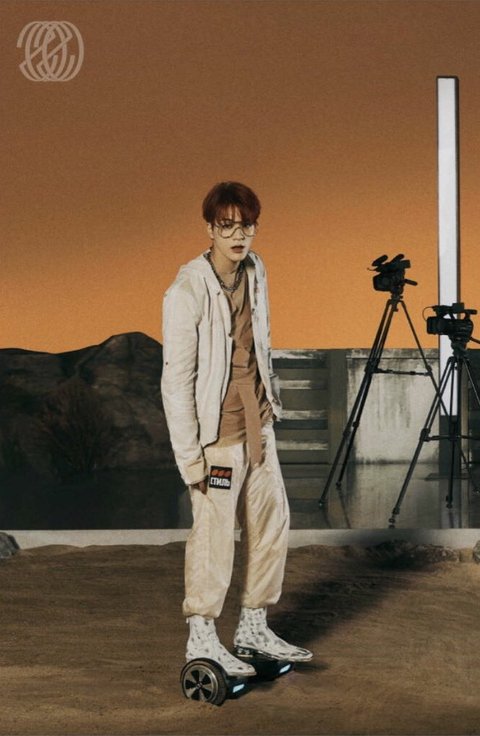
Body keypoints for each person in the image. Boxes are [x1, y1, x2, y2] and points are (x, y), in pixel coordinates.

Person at [161, 181, 312, 677]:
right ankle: (201, 636)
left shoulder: (256, 269)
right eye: (227, 226)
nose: (238, 235)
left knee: (271, 525)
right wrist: (191, 460)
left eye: (245, 225)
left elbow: (259, 342)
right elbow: (175, 382)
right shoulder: (186, 291)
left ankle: (253, 625)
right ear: (209, 228)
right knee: (214, 537)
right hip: (218, 440)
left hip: (259, 426)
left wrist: (271, 406)